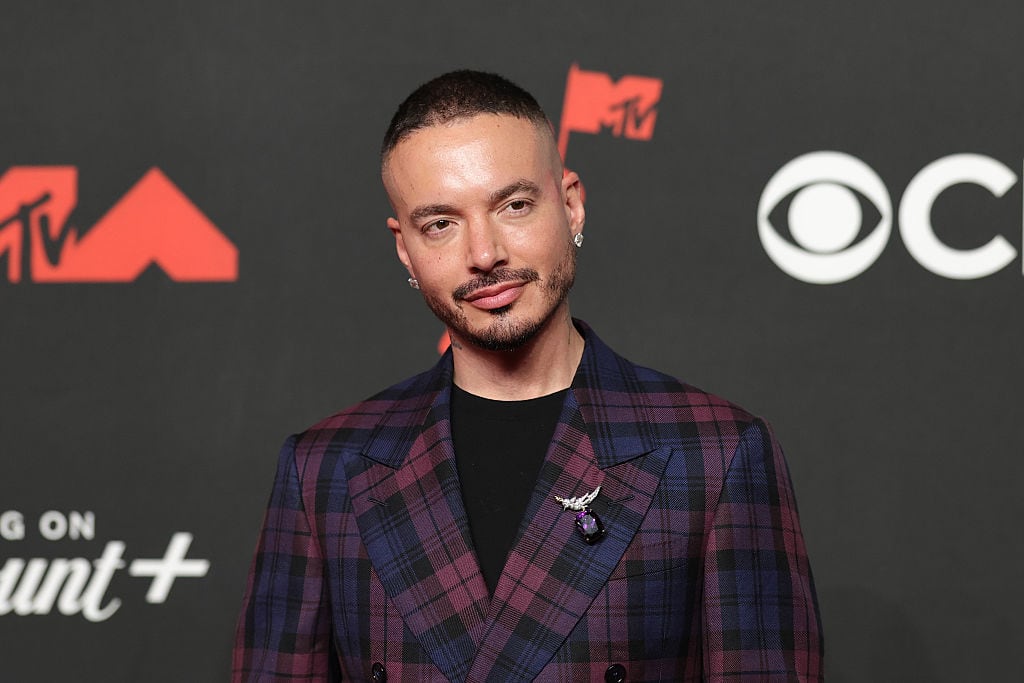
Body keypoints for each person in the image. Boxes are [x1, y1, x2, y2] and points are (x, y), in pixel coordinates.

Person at [233, 70, 823, 682]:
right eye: (440, 224)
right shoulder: (325, 468)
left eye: (514, 206)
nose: (484, 254)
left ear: (570, 205)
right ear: (404, 247)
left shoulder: (714, 455)